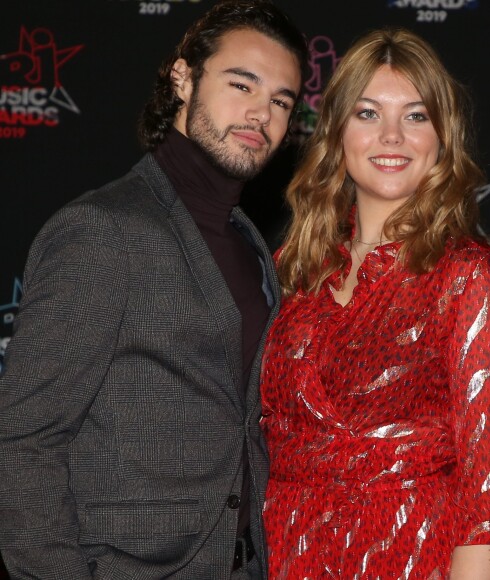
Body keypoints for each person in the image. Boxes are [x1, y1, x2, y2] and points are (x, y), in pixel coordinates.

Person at [0, 1, 308, 578]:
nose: (259, 113)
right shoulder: (104, 230)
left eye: (281, 101)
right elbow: (23, 443)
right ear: (184, 79)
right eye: (242, 84)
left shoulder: (252, 247)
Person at [260, 27, 490, 579]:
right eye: (367, 114)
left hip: (410, 557)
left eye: (415, 115)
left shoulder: (473, 280)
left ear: (441, 137)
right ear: (335, 132)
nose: (391, 136)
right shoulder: (290, 270)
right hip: (285, 556)